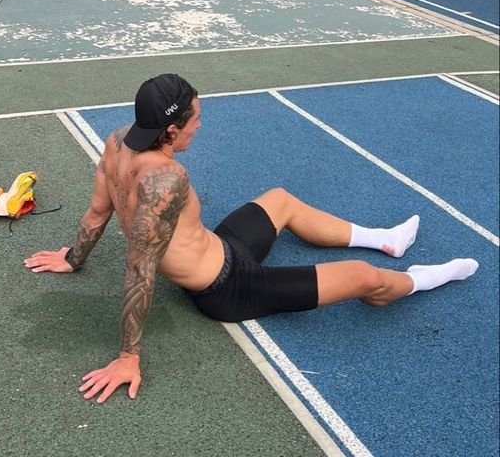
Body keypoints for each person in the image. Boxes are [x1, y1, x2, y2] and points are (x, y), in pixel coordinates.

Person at [25, 73, 479, 404]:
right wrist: (128, 357)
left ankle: (385, 239)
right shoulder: (165, 180)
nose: (200, 125)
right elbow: (140, 272)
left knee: (280, 200)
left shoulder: (116, 141)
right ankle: (422, 279)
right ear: (170, 130)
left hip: (221, 247)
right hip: (229, 288)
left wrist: (73, 256)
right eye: (195, 119)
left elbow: (98, 211)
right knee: (366, 280)